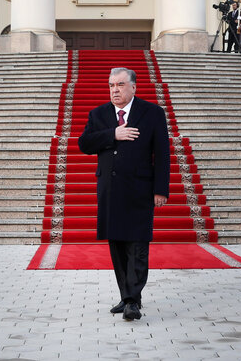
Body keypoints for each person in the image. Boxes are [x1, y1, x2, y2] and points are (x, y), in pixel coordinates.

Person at [78, 67, 170, 322]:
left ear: (133, 87)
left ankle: (132, 301)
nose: (114, 90)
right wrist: (112, 135)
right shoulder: (99, 114)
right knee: (117, 244)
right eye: (111, 85)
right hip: (110, 189)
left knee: (138, 245)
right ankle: (127, 296)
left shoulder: (152, 113)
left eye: (119, 85)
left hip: (140, 188)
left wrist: (161, 189)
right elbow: (84, 144)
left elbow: (162, 153)